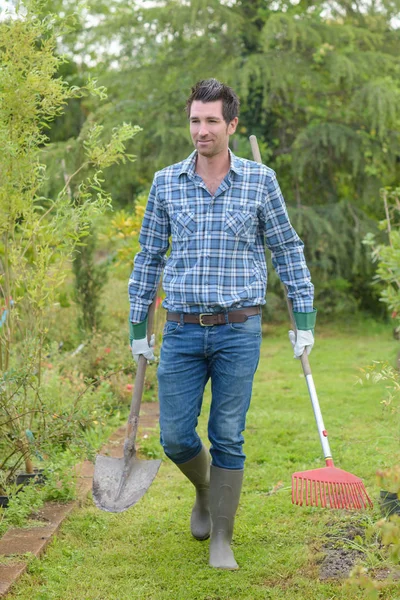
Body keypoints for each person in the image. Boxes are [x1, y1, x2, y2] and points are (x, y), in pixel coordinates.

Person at [128, 79, 316, 570]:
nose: (202, 130)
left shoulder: (260, 180)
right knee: (174, 436)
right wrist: (136, 327)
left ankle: (222, 538)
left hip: (238, 327)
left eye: (212, 121)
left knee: (228, 433)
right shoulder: (166, 181)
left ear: (231, 125)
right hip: (183, 329)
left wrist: (305, 317)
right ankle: (207, 491)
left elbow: (287, 249)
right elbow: (148, 257)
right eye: (195, 120)